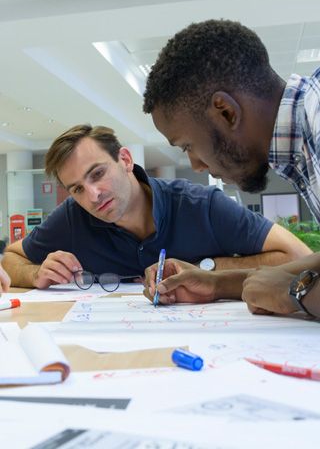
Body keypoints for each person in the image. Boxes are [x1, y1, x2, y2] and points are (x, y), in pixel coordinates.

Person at [143, 18, 320, 317]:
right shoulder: (301, 142)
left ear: (226, 112)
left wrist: (293, 293)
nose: (196, 165)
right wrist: (217, 283)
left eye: (187, 146)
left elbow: (289, 290)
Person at [2, 124, 309, 291]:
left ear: (124, 160)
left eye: (97, 174)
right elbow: (10, 259)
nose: (92, 196)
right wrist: (35, 273)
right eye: (77, 188)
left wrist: (208, 269)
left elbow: (298, 256)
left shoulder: (201, 205)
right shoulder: (73, 216)